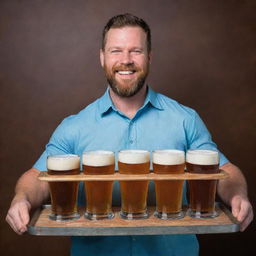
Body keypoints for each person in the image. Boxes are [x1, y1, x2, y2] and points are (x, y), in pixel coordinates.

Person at [6, 13, 253, 256]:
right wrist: (22, 199)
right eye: (116, 51)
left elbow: (224, 171)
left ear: (149, 57)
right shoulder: (74, 126)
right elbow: (37, 177)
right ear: (102, 58)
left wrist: (237, 195)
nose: (126, 60)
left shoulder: (185, 119)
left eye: (136, 51)